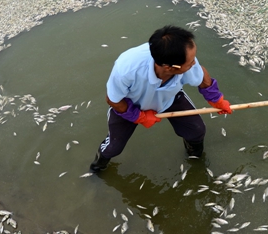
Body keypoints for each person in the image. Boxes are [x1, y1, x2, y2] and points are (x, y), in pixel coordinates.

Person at [91, 25, 232, 172]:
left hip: (169, 96)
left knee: (196, 130)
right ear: (170, 68)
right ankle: (97, 167)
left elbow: (201, 75)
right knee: (114, 148)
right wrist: (140, 117)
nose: (194, 64)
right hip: (130, 105)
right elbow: (113, 100)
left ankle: (195, 157)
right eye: (190, 63)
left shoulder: (181, 56)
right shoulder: (126, 68)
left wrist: (216, 100)